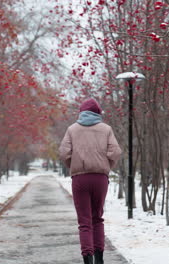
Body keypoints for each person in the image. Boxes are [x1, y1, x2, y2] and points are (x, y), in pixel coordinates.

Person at [59, 98, 122, 264]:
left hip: (80, 178)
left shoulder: (72, 130)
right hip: (100, 178)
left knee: (84, 222)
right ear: (98, 113)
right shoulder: (106, 129)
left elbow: (64, 153)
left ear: (81, 112)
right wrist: (106, 166)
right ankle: (99, 260)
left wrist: (74, 166)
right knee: (97, 219)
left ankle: (88, 259)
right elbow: (115, 152)